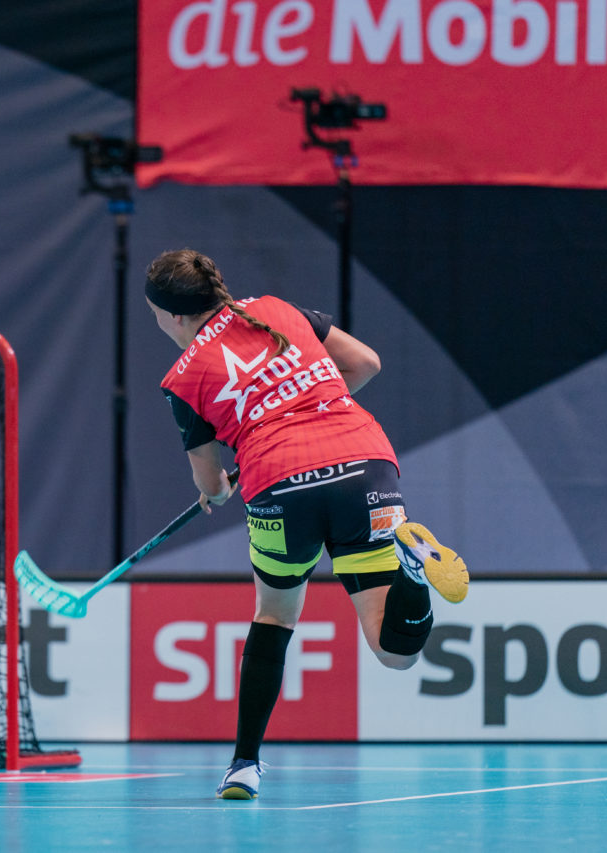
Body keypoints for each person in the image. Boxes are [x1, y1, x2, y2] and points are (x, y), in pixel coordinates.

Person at [143, 249, 468, 800]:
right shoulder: (276, 310)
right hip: (364, 460)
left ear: (174, 316)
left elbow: (212, 484)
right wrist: (305, 407)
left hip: (278, 479)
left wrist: (221, 488)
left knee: (274, 615)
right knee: (396, 653)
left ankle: (244, 765)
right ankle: (413, 573)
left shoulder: (183, 379)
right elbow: (365, 364)